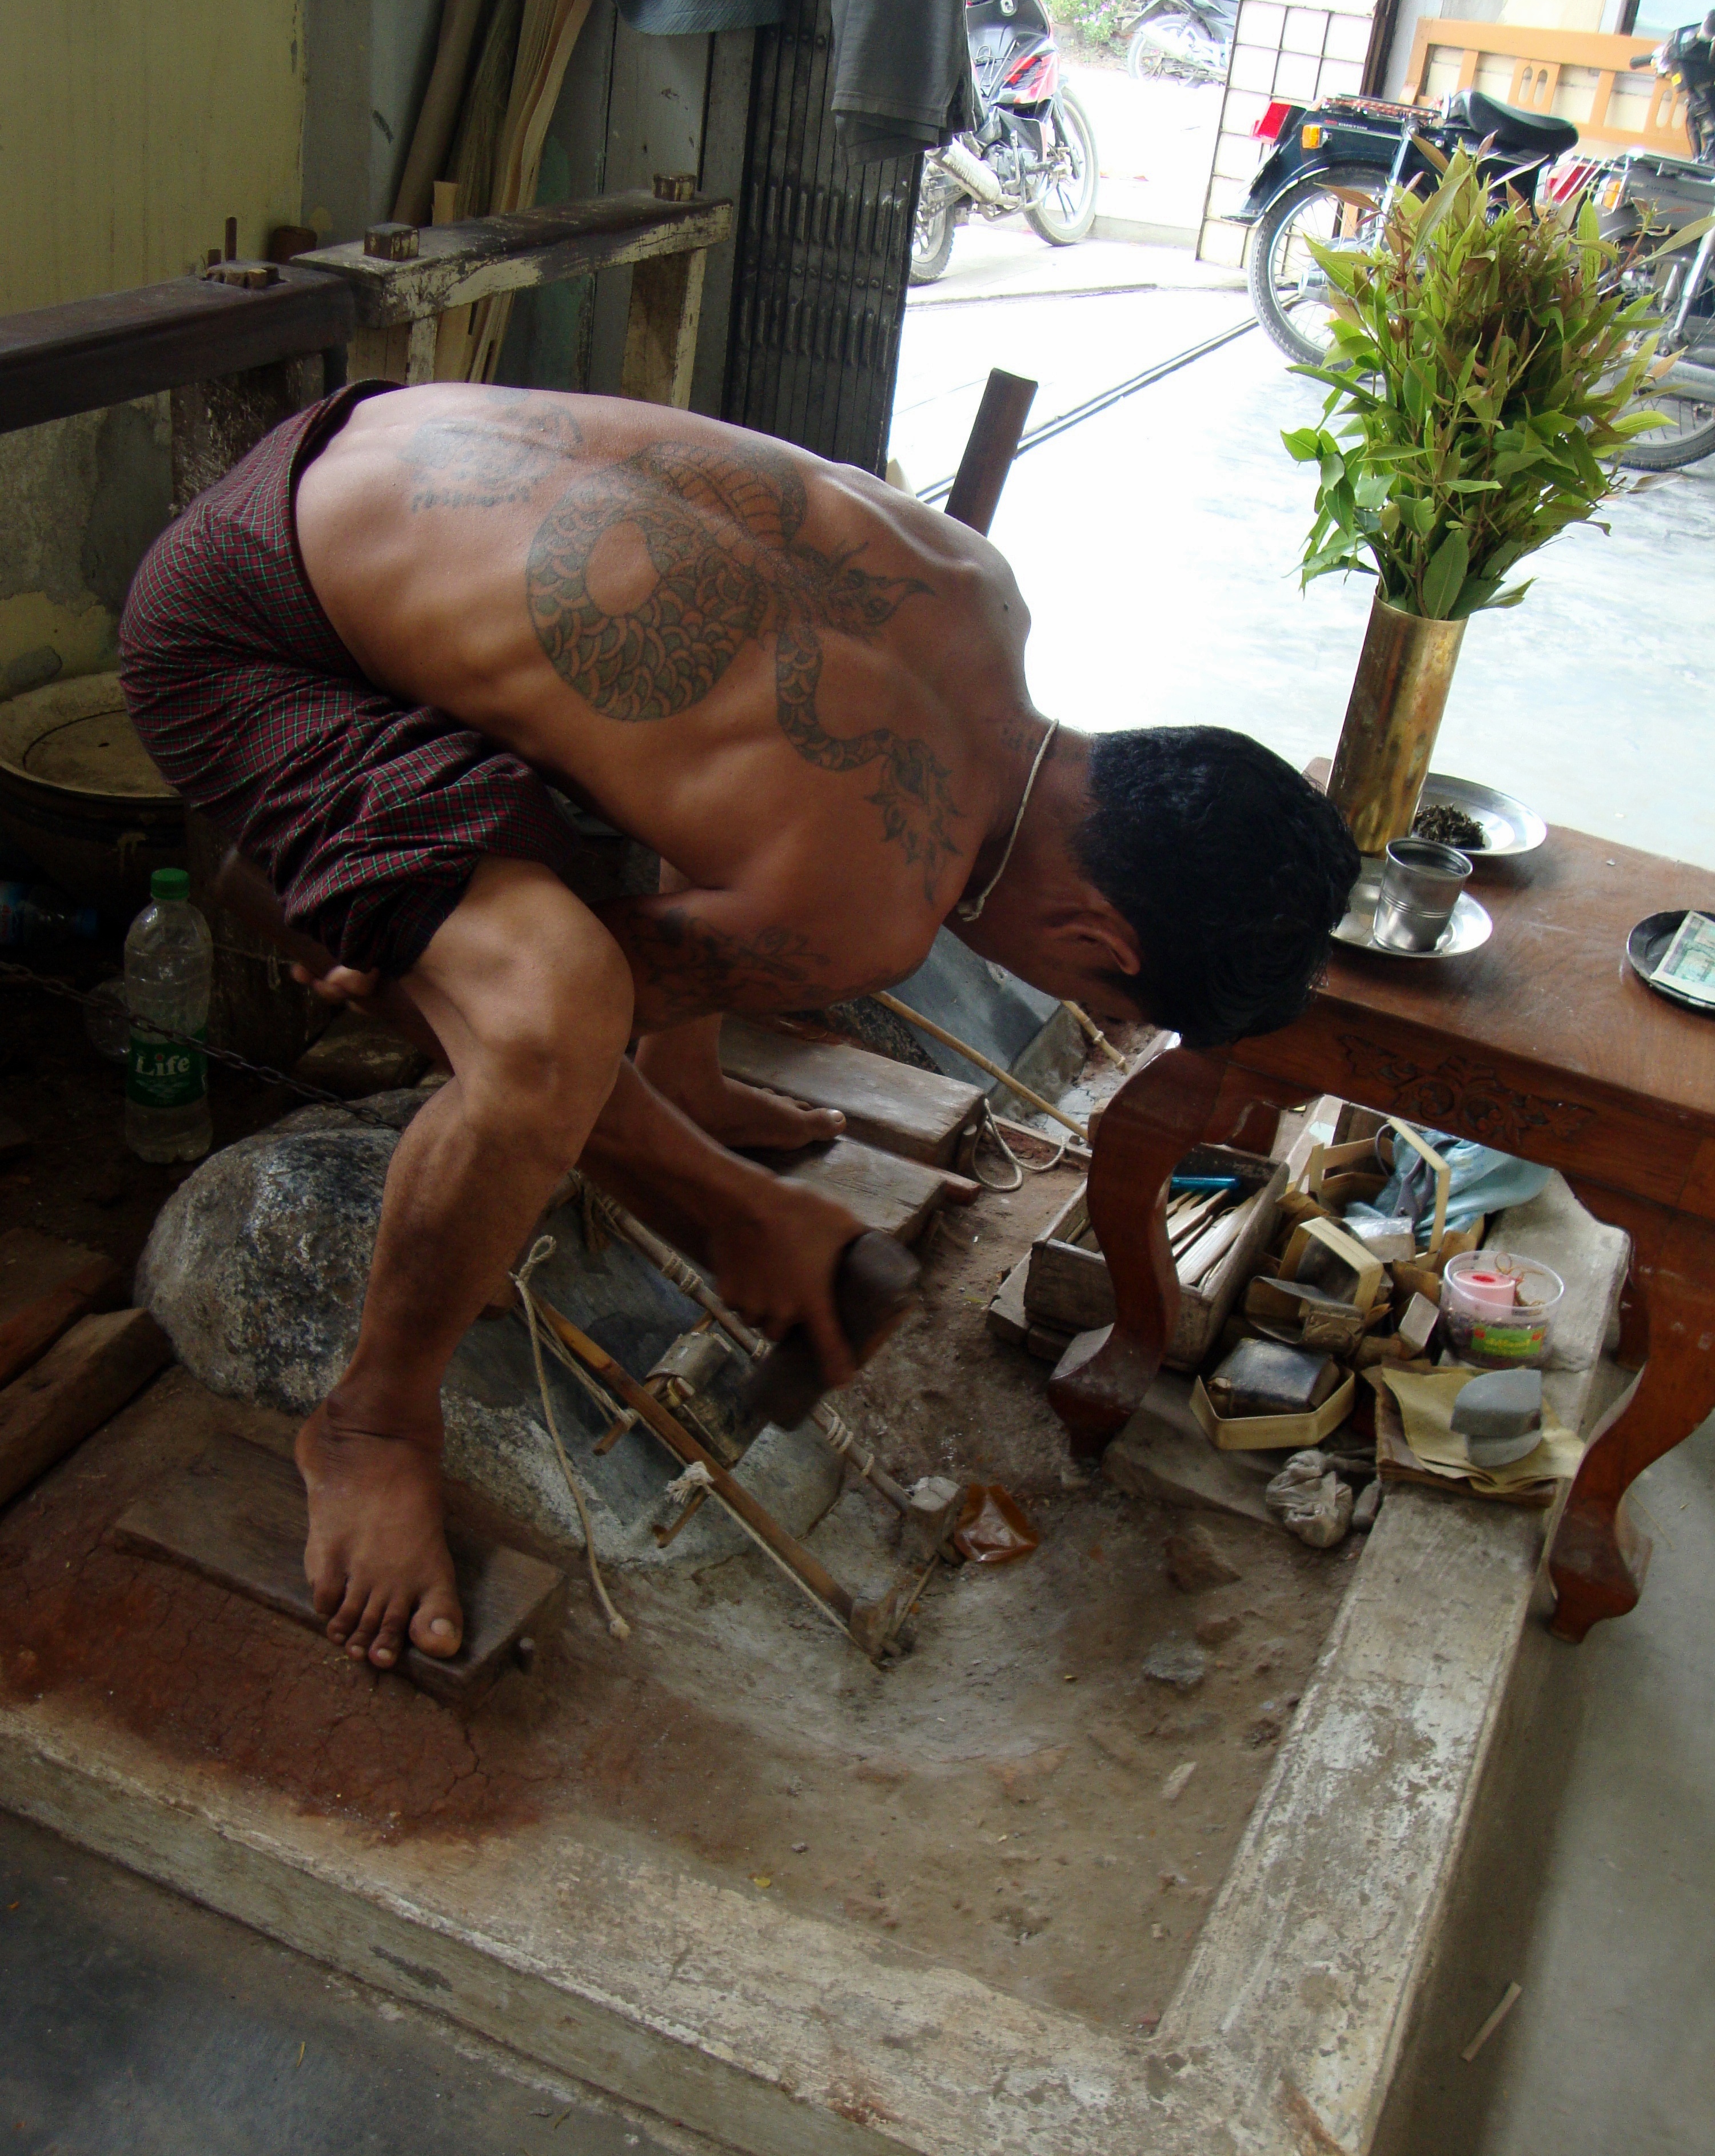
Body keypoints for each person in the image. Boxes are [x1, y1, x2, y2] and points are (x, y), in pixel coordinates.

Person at [119, 381, 1358, 1673]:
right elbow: (533, 1046)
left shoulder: (978, 589)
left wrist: (681, 1075)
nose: (1081, 1003)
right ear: (1102, 941)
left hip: (324, 459)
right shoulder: (872, 906)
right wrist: (730, 1205)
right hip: (241, 641)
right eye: (1100, 1002)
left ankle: (688, 1100)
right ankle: (370, 1423)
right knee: (548, 1015)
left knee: (635, 871)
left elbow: (723, 769)